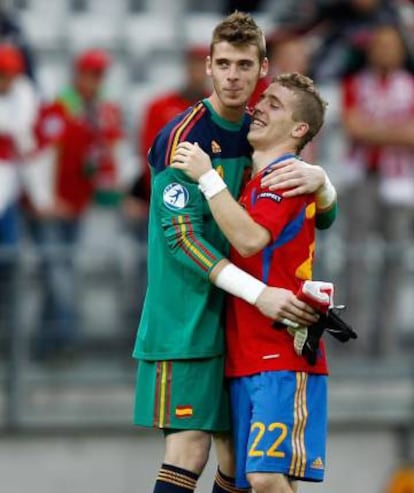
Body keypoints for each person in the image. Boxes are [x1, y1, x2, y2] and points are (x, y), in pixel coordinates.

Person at [132, 12, 337, 493]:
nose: (232, 77)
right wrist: (258, 292)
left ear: (262, 68)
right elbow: (181, 239)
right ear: (207, 65)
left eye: (244, 65)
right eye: (223, 63)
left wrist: (324, 185)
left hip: (239, 324)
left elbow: (314, 216)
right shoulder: (182, 140)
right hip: (185, 321)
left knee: (236, 463)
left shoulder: (260, 132)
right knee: (191, 450)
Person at [172, 72, 335, 492]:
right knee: (261, 481)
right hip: (247, 351)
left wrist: (207, 178)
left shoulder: (286, 178)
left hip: (280, 352)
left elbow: (248, 240)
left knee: (264, 478)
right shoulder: (254, 184)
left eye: (275, 104)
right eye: (263, 99)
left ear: (300, 130)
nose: (259, 107)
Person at [24, 48, 127, 362]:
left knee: (56, 270)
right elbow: (42, 156)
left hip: (75, 206)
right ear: (78, 74)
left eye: (99, 75)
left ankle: (46, 342)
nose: (95, 80)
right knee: (59, 272)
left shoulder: (99, 110)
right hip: (50, 209)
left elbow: (110, 151)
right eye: (90, 73)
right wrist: (45, 199)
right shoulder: (60, 108)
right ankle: (68, 337)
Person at [340, 23, 414, 355]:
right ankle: (353, 338)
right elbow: (353, 128)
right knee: (356, 257)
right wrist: (395, 132)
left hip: (400, 181)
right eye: (379, 45)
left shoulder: (410, 86)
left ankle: (385, 342)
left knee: (394, 259)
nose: (385, 52)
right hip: (362, 178)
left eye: (391, 45)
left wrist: (375, 130)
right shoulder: (356, 84)